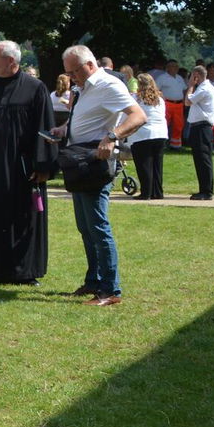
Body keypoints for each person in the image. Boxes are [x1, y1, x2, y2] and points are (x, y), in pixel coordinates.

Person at [58, 45, 146, 307]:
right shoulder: (84, 88)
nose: (72, 77)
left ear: (89, 64)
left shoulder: (108, 85)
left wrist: (112, 136)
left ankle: (110, 290)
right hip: (79, 162)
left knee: (98, 227)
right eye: (69, 73)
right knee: (86, 227)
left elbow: (138, 116)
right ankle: (94, 282)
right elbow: (86, 120)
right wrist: (63, 130)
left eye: (75, 71)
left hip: (95, 163)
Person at [0, 41, 57, 285]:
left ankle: (23, 270)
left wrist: (43, 166)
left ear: (11, 61)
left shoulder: (35, 87)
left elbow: (44, 127)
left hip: (23, 165)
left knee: (23, 215)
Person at [127, 74, 168, 200]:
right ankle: (157, 192)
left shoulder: (136, 99)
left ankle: (146, 192)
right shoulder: (159, 99)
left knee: (144, 164)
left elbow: (129, 115)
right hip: (160, 133)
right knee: (157, 165)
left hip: (143, 133)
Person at [184, 65, 214, 200]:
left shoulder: (204, 88)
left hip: (202, 127)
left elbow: (187, 101)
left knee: (203, 160)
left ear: (197, 75)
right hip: (200, 127)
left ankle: (206, 191)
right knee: (201, 159)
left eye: (192, 76)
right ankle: (204, 189)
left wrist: (191, 86)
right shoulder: (206, 87)